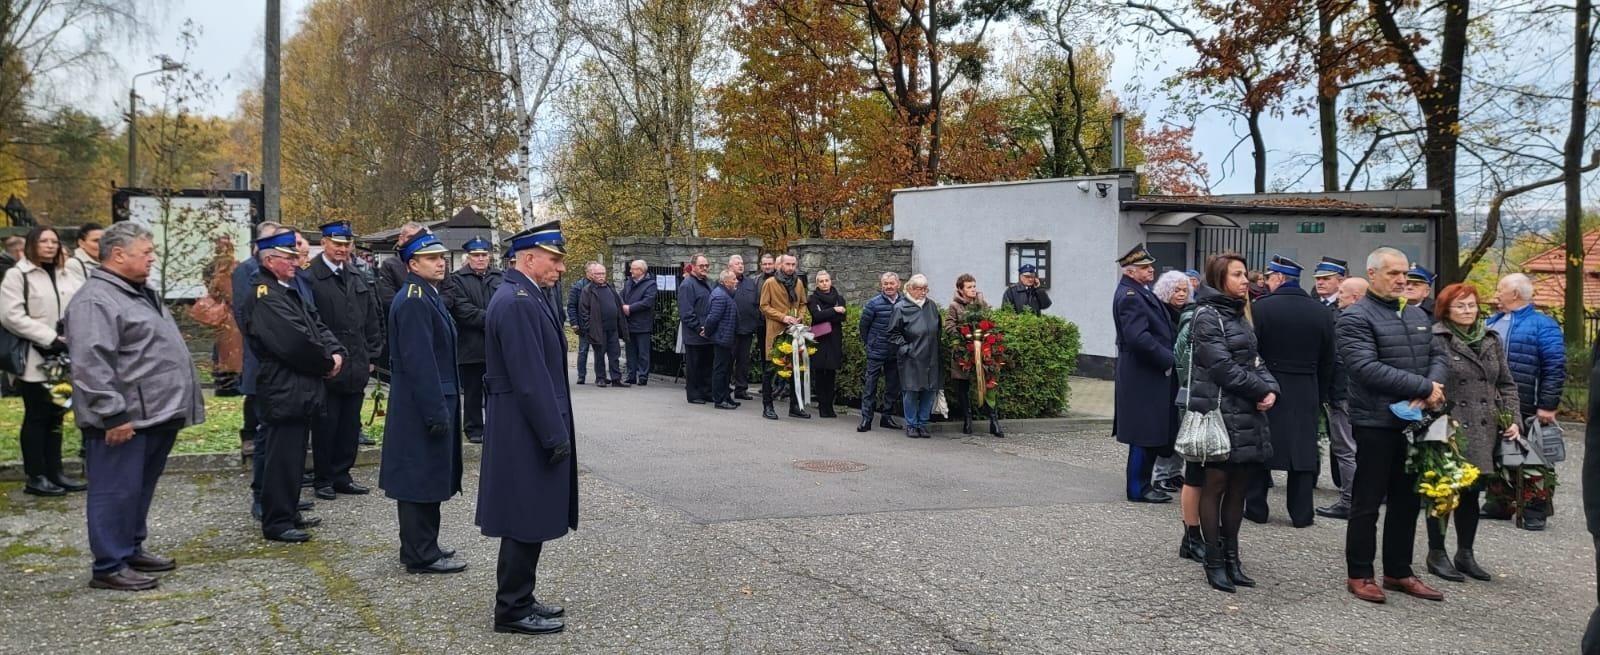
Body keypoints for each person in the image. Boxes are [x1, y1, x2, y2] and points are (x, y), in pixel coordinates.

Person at [64, 222, 204, 591]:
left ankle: (130, 548)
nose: (152, 257)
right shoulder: (97, 299)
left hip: (154, 413)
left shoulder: (138, 292)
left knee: (138, 488)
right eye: (146, 252)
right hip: (124, 418)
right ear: (118, 254)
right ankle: (109, 564)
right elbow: (90, 363)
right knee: (115, 490)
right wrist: (113, 413)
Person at [478, 221, 575, 636]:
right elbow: (531, 378)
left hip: (524, 422)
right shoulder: (517, 301)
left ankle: (521, 597)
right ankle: (512, 609)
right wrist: (554, 435)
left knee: (528, 513)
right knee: (522, 515)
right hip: (524, 426)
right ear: (529, 258)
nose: (560, 268)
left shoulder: (528, 294)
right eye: (554, 260)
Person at [1340, 246, 1448, 604]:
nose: (1402, 280)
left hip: (1417, 421)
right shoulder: (1356, 317)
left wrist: (1432, 388)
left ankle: (1399, 571)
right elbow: (1365, 368)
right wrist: (1422, 387)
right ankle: (1360, 573)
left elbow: (1438, 355)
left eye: (1406, 274)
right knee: (1367, 501)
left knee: (1406, 500)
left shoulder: (1417, 314)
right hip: (1375, 422)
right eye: (1393, 273)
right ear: (1372, 274)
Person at [1188, 252, 1279, 593]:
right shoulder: (1207, 316)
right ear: (1219, 278)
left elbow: (1256, 360)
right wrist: (1259, 390)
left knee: (1239, 489)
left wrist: (1271, 389)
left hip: (1246, 412)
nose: (1246, 280)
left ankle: (1232, 559)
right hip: (1220, 413)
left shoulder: (1239, 314)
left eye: (1245, 275)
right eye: (1238, 275)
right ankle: (1213, 560)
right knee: (1215, 485)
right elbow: (1221, 367)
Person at [246, 229, 344, 543]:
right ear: (270, 259)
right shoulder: (265, 294)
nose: (295, 262)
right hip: (284, 384)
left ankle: (289, 511)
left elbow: (317, 324)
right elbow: (293, 342)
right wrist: (327, 362)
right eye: (289, 258)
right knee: (281, 455)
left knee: (295, 454)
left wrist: (336, 351)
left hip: (301, 385)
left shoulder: (287, 288)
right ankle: (277, 520)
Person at [379, 232, 466, 574]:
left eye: (441, 257)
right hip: (421, 405)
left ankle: (425, 544)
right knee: (418, 477)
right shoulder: (415, 298)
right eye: (431, 258)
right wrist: (435, 411)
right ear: (412, 264)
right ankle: (419, 553)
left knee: (430, 475)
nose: (440, 262)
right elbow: (420, 361)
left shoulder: (426, 294)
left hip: (429, 401)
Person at [1425, 282, 1520, 583]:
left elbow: (1506, 383)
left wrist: (1513, 418)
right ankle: (1436, 552)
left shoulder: (1491, 339)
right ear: (1446, 310)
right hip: (1448, 426)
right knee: (1443, 492)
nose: (1468, 311)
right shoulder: (1437, 338)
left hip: (1484, 427)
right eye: (1460, 306)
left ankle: (1465, 553)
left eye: (1472, 305)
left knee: (1471, 494)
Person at [1245, 255, 1334, 529]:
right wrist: (1321, 392)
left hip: (1268, 384)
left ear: (1279, 278)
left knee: (1263, 445)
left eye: (1270, 277)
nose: (1267, 282)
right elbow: (1329, 357)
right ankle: (1301, 513)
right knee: (1302, 451)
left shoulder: (1260, 308)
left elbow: (1251, 350)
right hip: (1306, 384)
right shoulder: (1321, 311)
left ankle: (1257, 507)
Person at [1, 225, 85, 496]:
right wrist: (49, 337)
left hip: (63, 359)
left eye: (54, 241)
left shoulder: (66, 273)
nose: (50, 245)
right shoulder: (18, 275)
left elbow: (80, 304)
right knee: (37, 416)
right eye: (44, 241)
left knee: (58, 413)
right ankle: (35, 476)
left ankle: (55, 472)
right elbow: (11, 315)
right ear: (32, 244)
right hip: (34, 358)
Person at [304, 221, 381, 501]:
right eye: (337, 244)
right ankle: (323, 478)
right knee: (326, 425)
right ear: (324, 243)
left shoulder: (357, 274)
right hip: (328, 364)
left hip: (357, 362)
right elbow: (309, 322)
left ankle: (342, 474)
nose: (343, 249)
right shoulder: (311, 277)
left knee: (350, 425)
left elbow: (372, 318)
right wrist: (321, 358)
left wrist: (373, 354)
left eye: (347, 244)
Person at [1485, 272, 1565, 531]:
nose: (1497, 294)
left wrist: (1548, 404)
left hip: (1530, 400)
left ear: (1515, 294)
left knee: (1534, 456)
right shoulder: (1492, 321)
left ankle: (1534, 509)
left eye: (1501, 289)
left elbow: (1555, 366)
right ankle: (1499, 502)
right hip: (1496, 401)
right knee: (1497, 451)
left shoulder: (1544, 325)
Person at [1112, 244, 1175, 504]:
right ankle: (1138, 488)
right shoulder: (1130, 295)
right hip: (1142, 373)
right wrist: (1167, 359)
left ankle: (1145, 483)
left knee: (1149, 431)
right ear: (1131, 271)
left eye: (1150, 266)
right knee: (1142, 433)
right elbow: (1138, 338)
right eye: (1145, 267)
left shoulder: (1139, 291)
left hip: (1146, 373)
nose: (1151, 270)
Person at [1317, 276, 1370, 520]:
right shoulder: (1374, 317)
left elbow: (1338, 360)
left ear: (1355, 297)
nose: (1338, 298)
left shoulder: (1347, 320)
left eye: (1342, 293)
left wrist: (1327, 390)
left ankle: (1349, 501)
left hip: (1344, 393)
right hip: (1365, 395)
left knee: (1346, 450)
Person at [442, 237, 502, 444]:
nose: (480, 259)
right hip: (472, 344)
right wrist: (494, 319)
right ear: (468, 258)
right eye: (476, 256)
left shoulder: (499, 277)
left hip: (497, 344)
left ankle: (497, 426)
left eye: (484, 255)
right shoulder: (457, 279)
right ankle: (474, 428)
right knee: (473, 391)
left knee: (498, 389)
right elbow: (462, 310)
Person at [1150, 270, 1192, 492]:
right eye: (1177, 290)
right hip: (1166, 375)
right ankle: (1161, 474)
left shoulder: (1188, 313)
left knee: (1181, 423)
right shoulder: (1160, 313)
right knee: (1166, 426)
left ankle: (1176, 471)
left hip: (1183, 376)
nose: (1181, 294)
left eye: (1185, 290)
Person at [888, 274, 941, 438]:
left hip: (931, 355)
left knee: (929, 391)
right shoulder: (901, 307)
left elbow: (938, 329)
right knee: (910, 391)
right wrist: (906, 348)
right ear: (910, 289)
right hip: (911, 358)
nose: (924, 292)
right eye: (920, 289)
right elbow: (892, 333)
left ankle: (923, 423)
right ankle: (911, 424)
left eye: (926, 289)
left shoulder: (931, 306)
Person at [760, 254, 810, 420]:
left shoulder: (798, 282)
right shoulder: (770, 283)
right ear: (780, 265)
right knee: (770, 370)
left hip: (794, 331)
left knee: (796, 369)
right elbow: (764, 306)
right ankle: (767, 406)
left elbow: (803, 303)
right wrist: (783, 317)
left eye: (793, 264)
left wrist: (800, 316)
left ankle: (795, 406)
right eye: (788, 264)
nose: (791, 267)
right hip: (776, 332)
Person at [857, 273, 904, 432]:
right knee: (870, 385)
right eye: (886, 284)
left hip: (895, 351)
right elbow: (864, 327)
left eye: (892, 283)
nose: (889, 286)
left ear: (898, 284)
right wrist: (871, 343)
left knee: (892, 386)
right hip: (876, 350)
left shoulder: (905, 303)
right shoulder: (873, 304)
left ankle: (887, 417)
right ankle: (866, 419)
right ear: (881, 285)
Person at [578, 262, 629, 387]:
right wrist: (588, 327)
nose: (601, 276)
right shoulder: (588, 290)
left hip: (612, 328)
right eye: (598, 274)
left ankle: (616, 379)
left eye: (603, 273)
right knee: (599, 355)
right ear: (592, 275)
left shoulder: (610, 288)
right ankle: (600, 378)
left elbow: (618, 304)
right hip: (597, 329)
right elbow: (584, 311)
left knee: (614, 354)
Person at [806, 270, 846, 418]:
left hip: (834, 338)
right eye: (821, 281)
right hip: (820, 338)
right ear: (817, 283)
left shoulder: (839, 298)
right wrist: (834, 310)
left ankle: (830, 405)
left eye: (826, 280)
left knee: (831, 373)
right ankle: (822, 406)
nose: (824, 283)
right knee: (820, 372)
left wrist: (827, 314)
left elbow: (842, 318)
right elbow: (816, 316)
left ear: (831, 281)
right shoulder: (813, 299)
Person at [677, 254, 713, 403]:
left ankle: (706, 392)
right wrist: (699, 328)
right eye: (701, 266)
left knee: (706, 365)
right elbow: (686, 312)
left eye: (706, 266)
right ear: (692, 266)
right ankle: (694, 394)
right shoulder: (687, 285)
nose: (704, 268)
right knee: (694, 366)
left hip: (708, 333)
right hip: (694, 334)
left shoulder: (707, 283)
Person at [703, 269, 739, 410]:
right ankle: (719, 399)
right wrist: (707, 332)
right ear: (725, 281)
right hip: (721, 338)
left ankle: (726, 397)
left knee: (726, 370)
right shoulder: (720, 295)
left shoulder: (725, 294)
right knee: (720, 370)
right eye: (733, 279)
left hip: (726, 337)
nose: (736, 281)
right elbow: (713, 318)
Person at [620, 259, 655, 386]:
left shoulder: (650, 284)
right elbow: (620, 296)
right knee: (630, 352)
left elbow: (647, 302)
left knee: (643, 353)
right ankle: (631, 375)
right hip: (629, 323)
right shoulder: (628, 282)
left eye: (633, 269)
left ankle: (643, 376)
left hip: (643, 324)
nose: (630, 271)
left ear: (640, 271)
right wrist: (623, 306)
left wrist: (630, 308)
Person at [731, 255, 761, 399]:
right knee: (728, 360)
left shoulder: (750, 283)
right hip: (731, 330)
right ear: (730, 266)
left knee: (743, 361)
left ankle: (741, 389)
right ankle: (724, 388)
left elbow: (756, 304)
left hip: (747, 328)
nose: (741, 266)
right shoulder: (726, 282)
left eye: (742, 263)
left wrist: (754, 321)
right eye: (737, 263)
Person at [565, 267, 593, 384]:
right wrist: (574, 323)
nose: (594, 274)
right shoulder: (578, 286)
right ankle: (581, 375)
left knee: (600, 351)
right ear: (586, 272)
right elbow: (571, 306)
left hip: (598, 324)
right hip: (583, 324)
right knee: (583, 350)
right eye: (592, 272)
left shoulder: (602, 285)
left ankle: (600, 375)